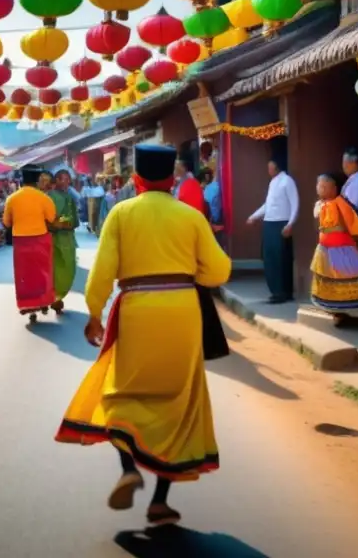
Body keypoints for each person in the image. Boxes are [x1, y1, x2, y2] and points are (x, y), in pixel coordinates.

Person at [55, 144, 231, 528]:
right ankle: (160, 501)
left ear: (135, 180)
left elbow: (103, 271)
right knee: (179, 402)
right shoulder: (190, 215)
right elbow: (218, 272)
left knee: (122, 391)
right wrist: (188, 276)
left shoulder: (121, 213)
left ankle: (128, 469)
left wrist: (95, 314)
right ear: (172, 180)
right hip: (183, 310)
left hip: (137, 307)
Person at [308, 173, 358, 324]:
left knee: (347, 280)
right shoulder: (320, 205)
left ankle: (352, 315)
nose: (320, 189)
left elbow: (353, 223)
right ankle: (337, 314)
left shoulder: (341, 204)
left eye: (324, 186)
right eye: (319, 186)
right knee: (330, 283)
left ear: (334, 189)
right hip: (325, 249)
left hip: (342, 249)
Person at [3, 165, 57, 322]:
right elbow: (52, 218)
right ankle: (43, 302)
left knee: (24, 275)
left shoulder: (12, 199)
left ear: (22, 179)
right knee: (42, 273)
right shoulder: (44, 198)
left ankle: (27, 306)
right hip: (40, 239)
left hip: (21, 241)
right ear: (38, 180)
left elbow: (6, 222)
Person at [247, 157, 299, 303]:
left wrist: (290, 224)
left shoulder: (287, 181)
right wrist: (254, 216)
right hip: (269, 223)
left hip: (281, 224)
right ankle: (276, 291)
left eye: (270, 167)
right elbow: (267, 205)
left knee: (281, 259)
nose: (268, 170)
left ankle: (283, 292)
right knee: (269, 258)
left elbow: (295, 203)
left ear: (277, 167)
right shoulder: (273, 182)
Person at [48, 169, 79, 313]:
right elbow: (50, 219)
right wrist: (60, 223)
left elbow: (74, 220)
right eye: (63, 179)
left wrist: (69, 222)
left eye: (68, 179)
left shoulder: (69, 196)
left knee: (69, 269)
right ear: (56, 181)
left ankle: (57, 298)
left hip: (68, 239)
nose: (66, 182)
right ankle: (56, 299)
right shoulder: (51, 197)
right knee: (58, 270)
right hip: (56, 239)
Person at [200, 169, 223, 234]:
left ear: (206, 177)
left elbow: (206, 206)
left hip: (213, 222)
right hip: (218, 218)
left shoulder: (209, 190)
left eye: (201, 182)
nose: (201, 185)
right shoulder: (217, 185)